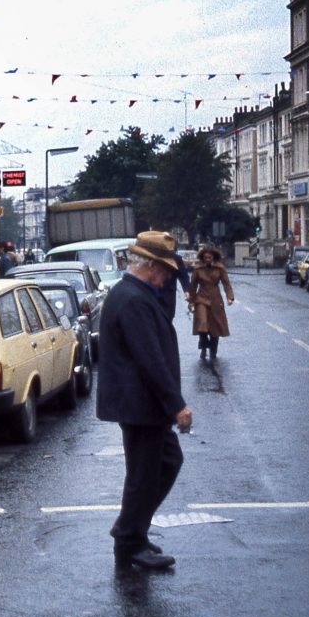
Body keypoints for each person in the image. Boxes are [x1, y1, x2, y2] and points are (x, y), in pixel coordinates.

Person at [96, 231, 193, 571]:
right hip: (140, 404)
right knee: (144, 475)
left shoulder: (134, 293)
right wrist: (177, 405)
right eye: (165, 269)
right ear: (150, 265)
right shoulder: (134, 299)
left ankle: (133, 531)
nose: (169, 275)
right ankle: (129, 541)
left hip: (141, 404)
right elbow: (150, 359)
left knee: (165, 463)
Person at [187, 245, 235, 362]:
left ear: (213, 257)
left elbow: (226, 283)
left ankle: (213, 351)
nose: (207, 259)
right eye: (205, 257)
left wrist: (230, 297)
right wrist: (191, 301)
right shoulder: (198, 269)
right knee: (202, 323)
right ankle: (204, 346)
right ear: (202, 258)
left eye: (209, 257)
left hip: (215, 298)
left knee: (215, 326)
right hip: (201, 298)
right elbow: (193, 286)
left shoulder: (220, 268)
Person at [158, 249, 191, 320]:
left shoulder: (176, 259)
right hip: (153, 291)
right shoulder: (154, 256)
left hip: (169, 293)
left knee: (168, 317)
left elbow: (183, 275)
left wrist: (187, 290)